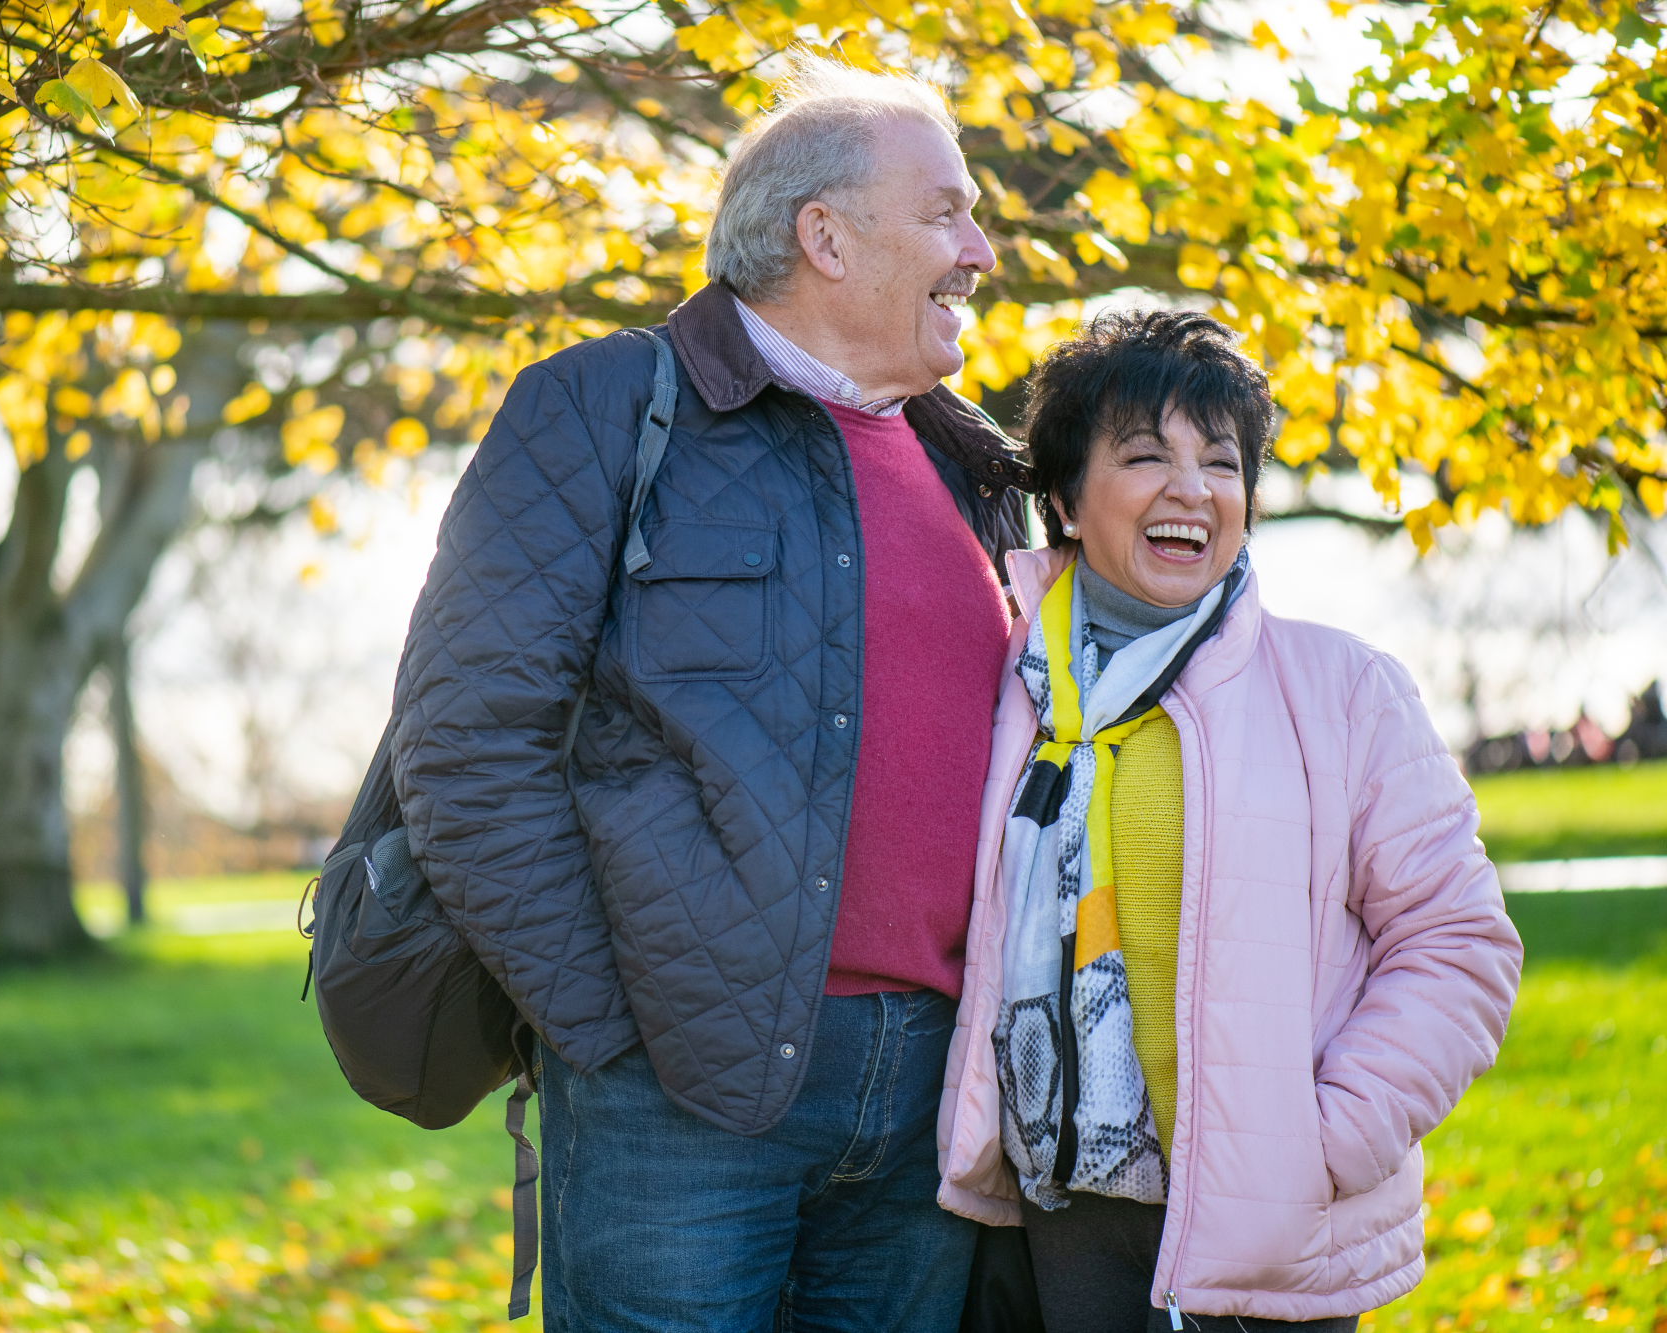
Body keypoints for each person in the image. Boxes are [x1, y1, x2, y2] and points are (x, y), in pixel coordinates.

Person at [392, 56, 1032, 1332]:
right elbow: (465, 746)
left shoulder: (971, 460)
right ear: (825, 238)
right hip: (673, 1102)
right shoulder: (601, 407)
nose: (981, 251)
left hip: (926, 1102)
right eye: (947, 212)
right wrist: (611, 1031)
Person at [937, 311, 1523, 1331]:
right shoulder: (1009, 693)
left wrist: (1322, 1143)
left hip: (1266, 1241)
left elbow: (1457, 943)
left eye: (1220, 461)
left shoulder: (1340, 690)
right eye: (1142, 455)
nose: (1190, 489)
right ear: (1067, 500)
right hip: (1052, 1233)